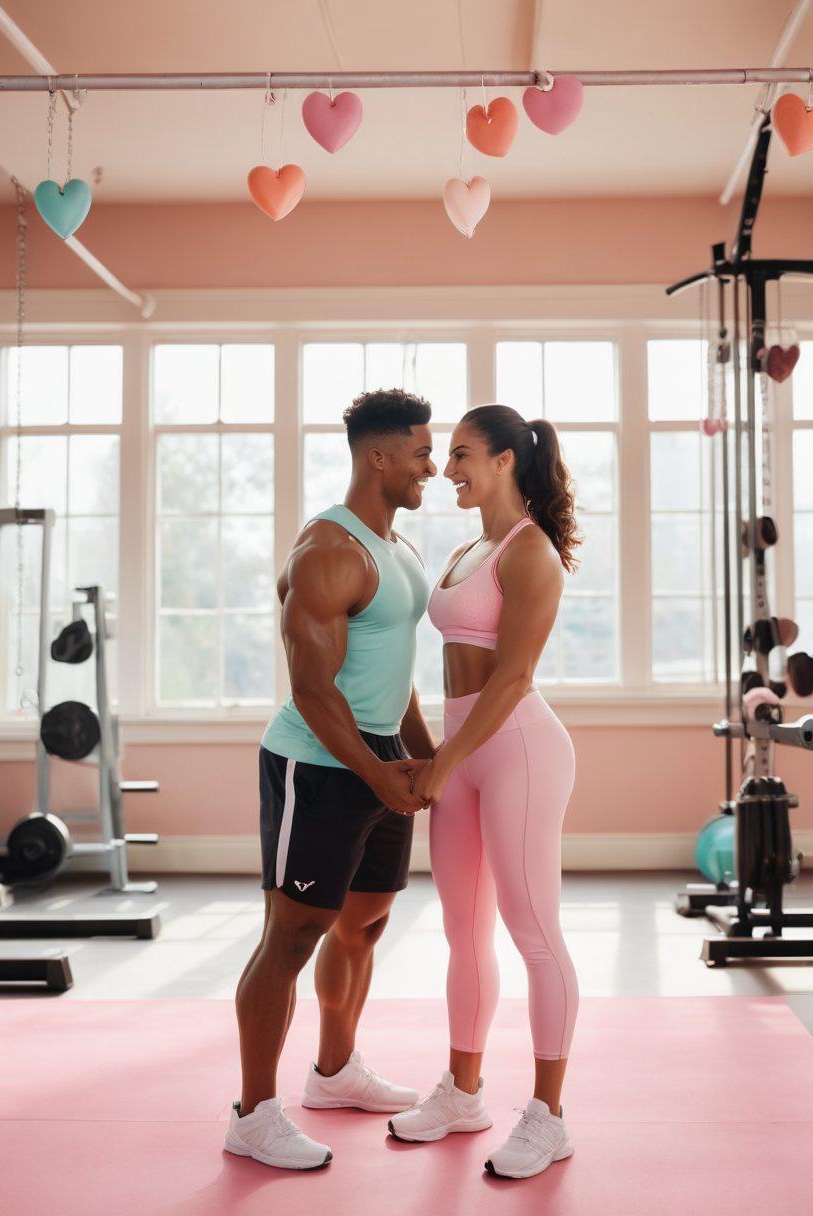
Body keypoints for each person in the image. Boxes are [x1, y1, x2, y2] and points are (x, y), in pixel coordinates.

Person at [225, 388, 438, 1171]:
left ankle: (336, 1070)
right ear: (378, 456)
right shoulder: (327, 551)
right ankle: (252, 1113)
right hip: (317, 765)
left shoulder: (400, 549)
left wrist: (428, 757)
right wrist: (380, 776)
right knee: (292, 936)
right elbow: (314, 692)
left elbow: (395, 673)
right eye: (420, 451)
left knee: (366, 921)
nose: (431, 466)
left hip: (377, 758)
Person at [389, 404, 582, 1182]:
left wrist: (439, 762)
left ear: (506, 460)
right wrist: (435, 755)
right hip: (462, 752)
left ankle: (549, 1117)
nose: (448, 469)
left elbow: (513, 680)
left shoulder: (529, 551)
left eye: (464, 454)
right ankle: (464, 1092)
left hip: (517, 752)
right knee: (462, 932)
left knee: (532, 931)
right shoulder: (468, 547)